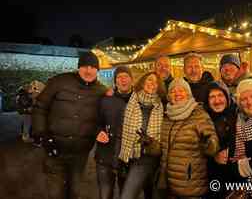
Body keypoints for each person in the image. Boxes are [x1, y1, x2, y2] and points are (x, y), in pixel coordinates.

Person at [32, 51, 107, 199]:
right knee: (55, 193)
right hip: (54, 149)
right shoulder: (59, 82)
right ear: (78, 67)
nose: (88, 70)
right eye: (85, 66)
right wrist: (42, 135)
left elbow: (102, 118)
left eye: (93, 67)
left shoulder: (102, 91)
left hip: (80, 154)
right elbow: (40, 107)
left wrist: (99, 131)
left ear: (97, 70)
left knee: (75, 192)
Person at [155, 78, 220, 198]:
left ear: (188, 94)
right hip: (168, 184)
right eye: (173, 91)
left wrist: (208, 143)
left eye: (181, 90)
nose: (177, 93)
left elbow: (214, 147)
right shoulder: (166, 116)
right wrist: (151, 145)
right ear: (169, 96)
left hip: (191, 184)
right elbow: (163, 149)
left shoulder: (199, 114)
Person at [118, 72, 165, 199]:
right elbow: (117, 93)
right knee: (149, 193)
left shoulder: (161, 105)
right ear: (143, 82)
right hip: (128, 156)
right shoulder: (131, 99)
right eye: (150, 80)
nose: (152, 84)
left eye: (156, 82)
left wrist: (152, 142)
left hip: (147, 158)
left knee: (127, 195)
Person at [95, 66, 133, 199]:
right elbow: (95, 121)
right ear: (115, 81)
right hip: (105, 155)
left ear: (131, 80)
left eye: (125, 76)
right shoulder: (106, 99)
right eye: (119, 77)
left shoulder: (138, 100)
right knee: (105, 195)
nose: (122, 80)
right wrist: (98, 131)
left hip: (128, 157)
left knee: (127, 195)